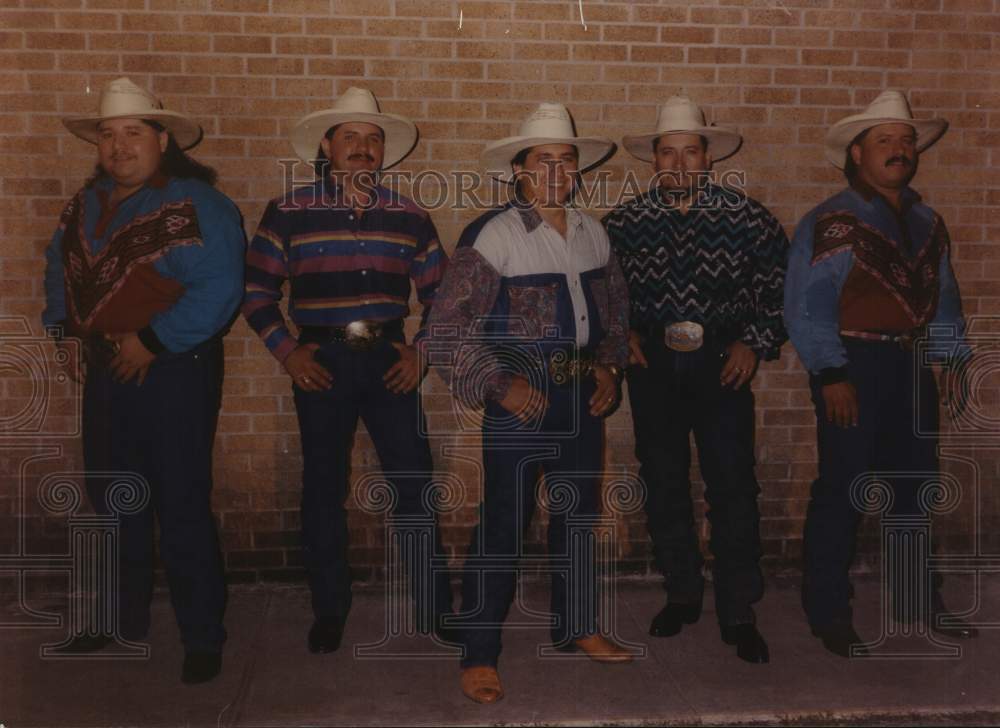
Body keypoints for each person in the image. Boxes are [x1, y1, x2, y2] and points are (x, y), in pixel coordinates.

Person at [426, 103, 632, 705]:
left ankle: (577, 626)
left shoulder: (593, 232)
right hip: (520, 399)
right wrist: (500, 385)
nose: (556, 172)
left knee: (578, 517)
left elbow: (616, 311)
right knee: (503, 524)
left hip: (580, 397)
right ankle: (478, 652)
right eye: (543, 160)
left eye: (566, 160)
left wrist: (609, 368)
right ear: (518, 169)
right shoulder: (494, 234)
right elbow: (445, 328)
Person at [42, 77, 245, 683]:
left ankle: (202, 637)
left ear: (163, 140)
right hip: (107, 369)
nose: (118, 146)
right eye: (107, 135)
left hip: (174, 370)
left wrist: (151, 341)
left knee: (181, 502)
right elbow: (58, 268)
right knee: (110, 498)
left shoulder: (198, 204)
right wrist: (65, 330)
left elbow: (219, 288)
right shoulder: (85, 205)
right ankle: (117, 619)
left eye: (133, 132)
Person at [242, 87, 453, 655]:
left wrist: (421, 351)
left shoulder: (411, 215)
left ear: (383, 150)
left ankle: (435, 608)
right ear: (326, 146)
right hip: (321, 363)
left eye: (373, 138)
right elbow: (255, 289)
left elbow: (443, 296)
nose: (363, 147)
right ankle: (329, 609)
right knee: (323, 488)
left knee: (414, 483)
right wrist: (288, 351)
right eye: (350, 136)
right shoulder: (288, 212)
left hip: (390, 363)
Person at [784, 89, 978, 657]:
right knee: (843, 488)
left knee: (913, 487)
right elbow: (807, 304)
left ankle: (918, 601)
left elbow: (944, 297)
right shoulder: (832, 220)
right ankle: (827, 612)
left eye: (906, 140)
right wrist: (829, 373)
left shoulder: (927, 221)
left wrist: (950, 357)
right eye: (884, 140)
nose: (899, 149)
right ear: (857, 154)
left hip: (910, 365)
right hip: (853, 365)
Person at [603, 96, 789, 664]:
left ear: (709, 158)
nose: (680, 163)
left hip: (721, 366)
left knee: (732, 487)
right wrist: (621, 336)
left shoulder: (748, 219)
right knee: (663, 482)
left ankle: (738, 608)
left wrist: (753, 341)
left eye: (691, 152)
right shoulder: (623, 224)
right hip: (653, 369)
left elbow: (782, 290)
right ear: (653, 159)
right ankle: (681, 592)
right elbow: (600, 292)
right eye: (668, 153)